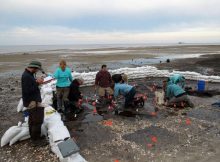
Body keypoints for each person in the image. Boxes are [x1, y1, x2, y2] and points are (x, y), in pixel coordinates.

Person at [21, 61, 47, 146]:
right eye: (37, 69)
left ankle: (34, 138)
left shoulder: (29, 75)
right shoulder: (26, 76)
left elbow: (30, 87)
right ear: (34, 68)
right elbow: (27, 91)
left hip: (32, 101)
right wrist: (37, 83)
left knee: (32, 121)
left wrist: (36, 82)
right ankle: (36, 141)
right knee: (37, 121)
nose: (37, 71)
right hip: (32, 102)